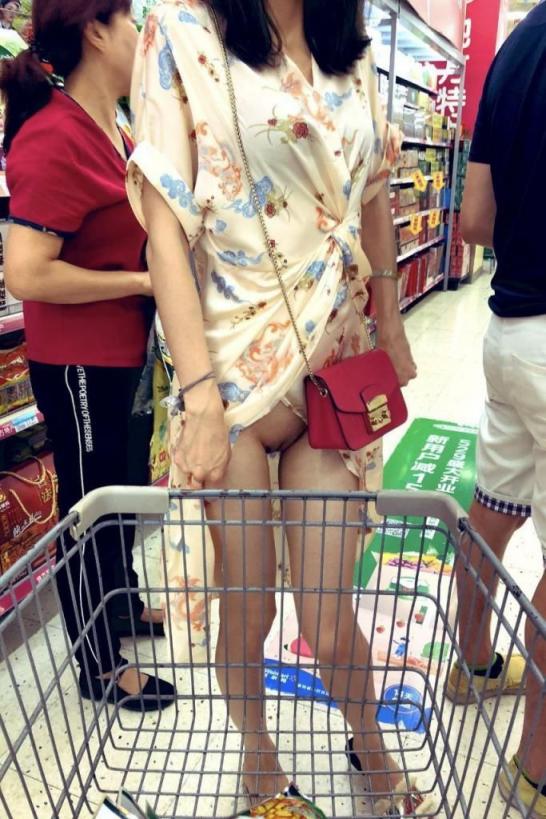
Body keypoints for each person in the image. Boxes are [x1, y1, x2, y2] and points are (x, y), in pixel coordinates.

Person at [127, 0, 427, 811]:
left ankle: (369, 744)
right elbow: (164, 226)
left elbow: (373, 189)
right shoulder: (182, 31)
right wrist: (196, 398)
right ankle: (257, 755)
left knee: (327, 618)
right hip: (229, 383)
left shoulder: (349, 46)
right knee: (249, 607)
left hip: (333, 372)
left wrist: (392, 316)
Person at [1, 0, 174, 712]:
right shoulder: (53, 135)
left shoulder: (115, 124)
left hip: (123, 347)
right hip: (78, 360)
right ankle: (98, 664)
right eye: (132, 21)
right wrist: (140, 282)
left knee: (125, 483)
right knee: (90, 502)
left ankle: (120, 600)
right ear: (97, 31)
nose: (142, 37)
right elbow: (26, 272)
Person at [447, 3, 546, 816]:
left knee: (496, 505)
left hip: (510, 329)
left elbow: (474, 220)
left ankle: (472, 661)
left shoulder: (517, 46)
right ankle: (537, 771)